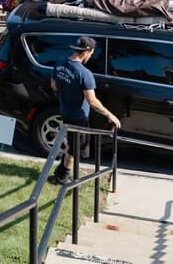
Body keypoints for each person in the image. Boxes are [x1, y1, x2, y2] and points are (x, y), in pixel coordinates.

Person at [50, 36, 120, 184]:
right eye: (91, 53)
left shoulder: (60, 62)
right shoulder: (85, 74)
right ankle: (63, 178)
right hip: (78, 117)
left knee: (71, 142)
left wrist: (67, 94)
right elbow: (92, 101)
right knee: (76, 148)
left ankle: (60, 171)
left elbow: (54, 85)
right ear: (87, 52)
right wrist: (109, 114)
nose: (91, 56)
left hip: (65, 111)